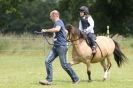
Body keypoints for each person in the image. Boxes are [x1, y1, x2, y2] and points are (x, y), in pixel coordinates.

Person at [39, 10, 79, 85]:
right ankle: (49, 80)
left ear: (55, 15)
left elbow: (57, 29)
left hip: (61, 47)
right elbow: (65, 32)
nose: (50, 18)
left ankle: (75, 78)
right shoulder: (58, 23)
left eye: (50, 16)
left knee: (64, 65)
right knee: (47, 61)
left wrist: (46, 30)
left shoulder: (58, 22)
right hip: (56, 47)